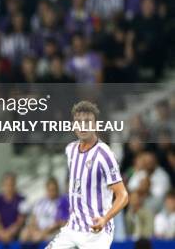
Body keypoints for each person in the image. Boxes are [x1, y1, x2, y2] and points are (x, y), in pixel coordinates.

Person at [47, 101, 129, 248]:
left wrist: (105, 219)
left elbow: (123, 195)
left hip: (96, 232)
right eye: (78, 122)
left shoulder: (104, 154)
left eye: (88, 121)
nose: (83, 126)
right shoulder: (71, 150)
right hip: (72, 228)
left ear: (96, 125)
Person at [20, 177, 68, 246]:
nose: (52, 192)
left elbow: (58, 223)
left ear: (57, 189)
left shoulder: (61, 202)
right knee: (24, 234)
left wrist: (43, 233)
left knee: (44, 237)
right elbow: (33, 219)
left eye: (54, 190)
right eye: (50, 190)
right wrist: (33, 230)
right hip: (38, 230)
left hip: (52, 231)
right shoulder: (41, 202)